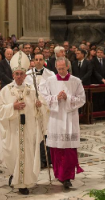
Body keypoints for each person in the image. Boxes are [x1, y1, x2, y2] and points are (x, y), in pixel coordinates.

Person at [0, 51, 45, 195]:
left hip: (28, 129)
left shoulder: (31, 90)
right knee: (13, 154)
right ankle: (14, 175)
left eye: (21, 74)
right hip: (12, 130)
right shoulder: (6, 91)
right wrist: (12, 107)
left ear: (25, 75)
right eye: (16, 74)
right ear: (13, 75)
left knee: (26, 155)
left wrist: (38, 105)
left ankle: (23, 183)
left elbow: (41, 109)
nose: (18, 76)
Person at [40, 57, 85, 189]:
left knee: (69, 149)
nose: (61, 71)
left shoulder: (76, 81)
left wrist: (68, 98)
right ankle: (59, 174)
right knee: (57, 148)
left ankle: (67, 177)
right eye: (58, 69)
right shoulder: (50, 81)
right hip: (56, 118)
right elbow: (44, 97)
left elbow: (82, 100)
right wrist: (55, 98)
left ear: (67, 67)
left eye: (63, 68)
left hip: (70, 119)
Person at [25, 53, 55, 169]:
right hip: (32, 108)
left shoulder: (50, 74)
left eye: (40, 59)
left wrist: (43, 102)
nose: (38, 61)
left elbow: (52, 91)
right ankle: (35, 158)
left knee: (45, 132)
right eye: (36, 59)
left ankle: (46, 158)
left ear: (44, 61)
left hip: (45, 108)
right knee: (34, 133)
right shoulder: (27, 75)